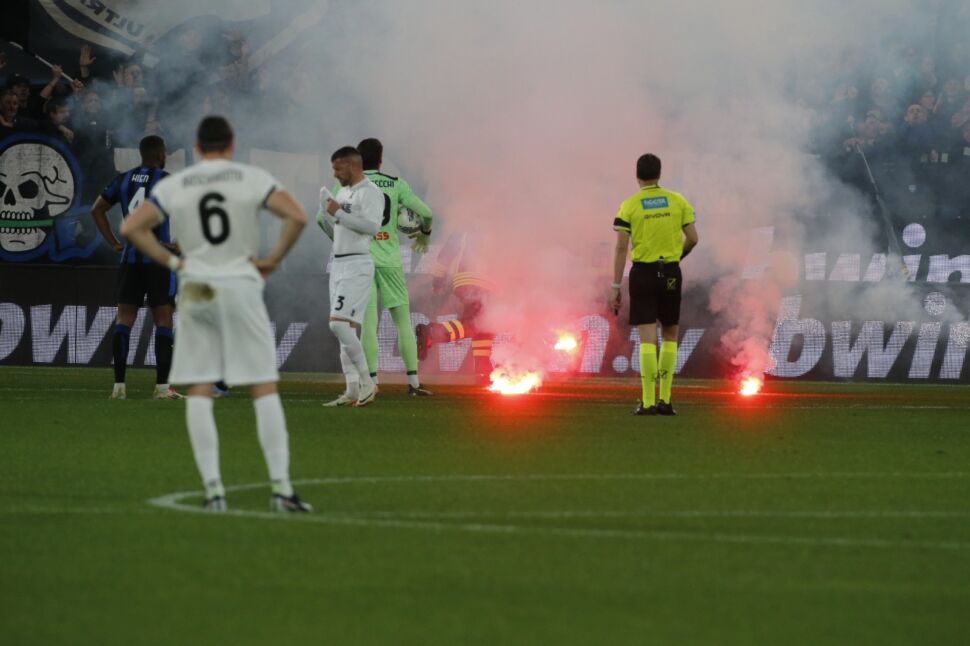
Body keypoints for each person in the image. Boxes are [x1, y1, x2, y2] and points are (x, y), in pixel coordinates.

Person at [119, 115, 310, 512]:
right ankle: (281, 489)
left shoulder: (177, 184)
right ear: (232, 144)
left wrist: (170, 264)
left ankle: (213, 492)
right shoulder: (250, 178)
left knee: (200, 391)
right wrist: (273, 259)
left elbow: (132, 228)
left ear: (198, 146)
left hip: (199, 286)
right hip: (240, 283)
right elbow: (298, 216)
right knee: (262, 387)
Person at [92, 135, 182, 400]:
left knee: (124, 320)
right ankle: (162, 388)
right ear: (161, 154)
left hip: (130, 259)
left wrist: (114, 243)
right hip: (157, 259)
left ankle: (118, 387)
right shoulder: (167, 181)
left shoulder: (123, 179)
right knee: (163, 321)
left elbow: (97, 210)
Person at [609, 153, 698, 416]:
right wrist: (675, 258)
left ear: (637, 176)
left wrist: (616, 285)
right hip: (670, 272)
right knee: (670, 335)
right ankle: (666, 401)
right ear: (660, 174)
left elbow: (620, 248)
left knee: (647, 339)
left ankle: (648, 402)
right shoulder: (677, 201)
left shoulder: (629, 205)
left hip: (643, 274)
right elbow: (693, 238)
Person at [356, 137, 434, 397]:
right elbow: (426, 213)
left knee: (368, 322)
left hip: (361, 258)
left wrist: (337, 237)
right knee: (402, 320)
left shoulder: (348, 184)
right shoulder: (395, 184)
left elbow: (323, 216)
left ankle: (371, 383)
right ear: (381, 159)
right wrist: (424, 234)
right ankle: (413, 383)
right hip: (390, 259)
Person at [316, 146, 382, 407]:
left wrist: (338, 212)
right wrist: (329, 214)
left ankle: (368, 382)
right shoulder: (343, 192)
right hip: (339, 264)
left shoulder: (371, 193)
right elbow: (340, 226)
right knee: (347, 328)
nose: (334, 174)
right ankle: (352, 389)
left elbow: (372, 227)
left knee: (338, 324)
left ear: (353, 166)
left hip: (357, 265)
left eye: (337, 168)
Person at [415, 231, 496, 386]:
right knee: (478, 322)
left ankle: (483, 371)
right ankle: (433, 332)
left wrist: (438, 279)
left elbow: (446, 255)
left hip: (463, 279)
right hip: (485, 280)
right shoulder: (502, 225)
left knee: (483, 327)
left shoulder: (464, 224)